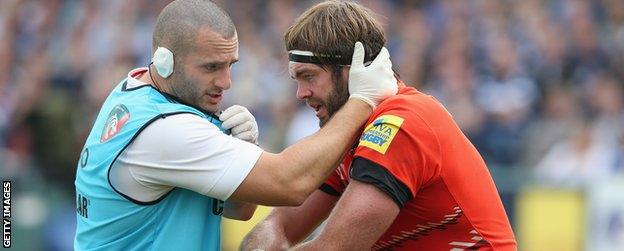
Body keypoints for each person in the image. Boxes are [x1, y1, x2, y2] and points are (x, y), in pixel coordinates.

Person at [73, 0, 397, 250]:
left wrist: (244, 151)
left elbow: (238, 209)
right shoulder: (165, 130)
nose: (226, 82)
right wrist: (362, 101)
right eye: (211, 67)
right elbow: (290, 184)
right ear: (164, 61)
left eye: (230, 65)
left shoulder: (134, 92)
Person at [242, 1, 517, 250]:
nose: (300, 93)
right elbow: (279, 225)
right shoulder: (352, 131)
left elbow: (333, 249)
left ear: (353, 69)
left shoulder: (401, 123)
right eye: (296, 79)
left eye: (309, 76)